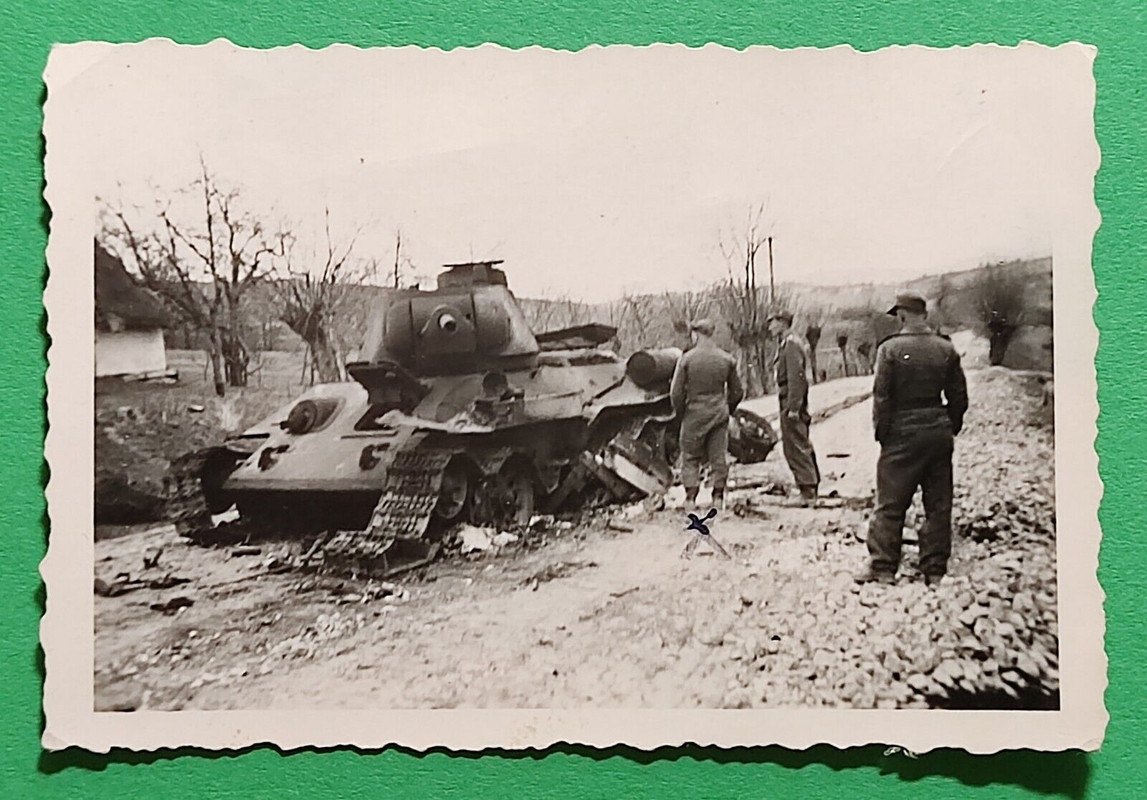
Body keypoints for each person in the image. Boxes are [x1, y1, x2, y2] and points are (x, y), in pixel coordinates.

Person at [856, 291, 969, 587]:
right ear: (925, 316)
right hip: (937, 430)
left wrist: (883, 434)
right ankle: (934, 570)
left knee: (890, 502)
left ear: (902, 316)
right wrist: (949, 425)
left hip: (902, 433)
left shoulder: (890, 350)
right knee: (938, 503)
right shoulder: (946, 348)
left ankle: (882, 568)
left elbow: (882, 398)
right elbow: (959, 397)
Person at [670, 318, 744, 508]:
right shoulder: (726, 359)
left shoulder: (686, 359)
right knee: (718, 456)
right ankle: (718, 497)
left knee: (690, 456)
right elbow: (738, 391)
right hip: (719, 413)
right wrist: (728, 408)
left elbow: (675, 393)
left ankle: (690, 499)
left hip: (694, 413)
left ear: (696, 334)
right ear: (711, 334)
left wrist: (680, 413)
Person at [767, 310, 820, 506]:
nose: (770, 327)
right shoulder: (787, 343)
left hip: (790, 399)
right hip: (787, 398)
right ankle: (809, 487)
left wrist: (794, 407)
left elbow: (797, 378)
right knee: (797, 442)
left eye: (773, 322)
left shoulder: (791, 344)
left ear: (782, 323)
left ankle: (808, 492)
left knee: (795, 444)